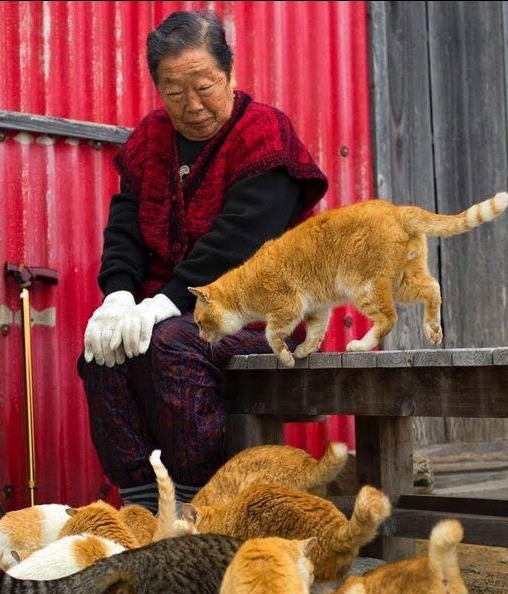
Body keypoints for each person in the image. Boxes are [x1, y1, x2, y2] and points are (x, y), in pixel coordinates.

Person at [79, 10, 328, 511]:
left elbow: (239, 243)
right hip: (172, 309)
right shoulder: (149, 141)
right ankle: (143, 506)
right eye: (174, 92)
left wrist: (162, 304)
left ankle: (201, 505)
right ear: (158, 89)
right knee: (101, 351)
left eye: (205, 86)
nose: (192, 105)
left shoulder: (265, 135)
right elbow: (125, 227)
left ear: (231, 74)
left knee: (170, 346)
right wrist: (120, 295)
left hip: (259, 314)